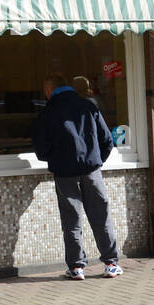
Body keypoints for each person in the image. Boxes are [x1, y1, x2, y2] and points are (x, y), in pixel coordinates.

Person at [32, 73, 123, 279]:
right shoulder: (88, 107)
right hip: (91, 171)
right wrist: (95, 161)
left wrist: (56, 160)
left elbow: (41, 149)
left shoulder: (47, 113)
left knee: (71, 219)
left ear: (48, 91)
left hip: (64, 173)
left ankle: (76, 268)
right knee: (100, 215)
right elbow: (107, 141)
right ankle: (110, 263)